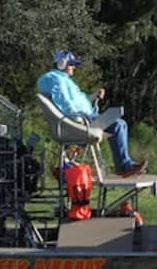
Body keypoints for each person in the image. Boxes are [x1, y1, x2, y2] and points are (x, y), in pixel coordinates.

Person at [37, 49, 147, 177]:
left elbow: (78, 101)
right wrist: (78, 119)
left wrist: (94, 97)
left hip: (84, 117)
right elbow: (63, 100)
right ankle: (123, 166)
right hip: (79, 120)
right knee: (117, 124)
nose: (74, 68)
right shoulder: (55, 79)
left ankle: (124, 165)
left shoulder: (63, 80)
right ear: (62, 64)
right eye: (71, 64)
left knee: (120, 123)